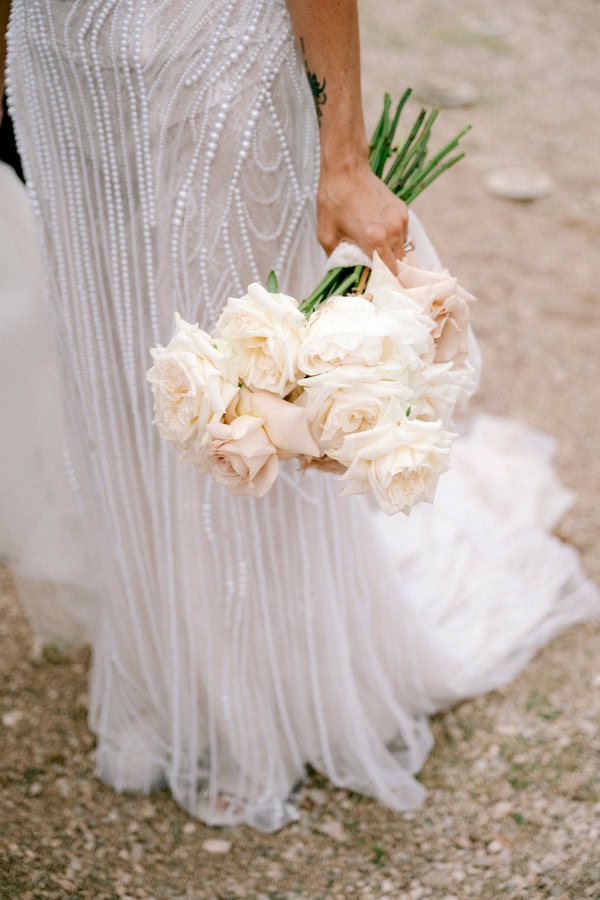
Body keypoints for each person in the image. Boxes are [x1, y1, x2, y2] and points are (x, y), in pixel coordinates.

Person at [2, 0, 598, 833]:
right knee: (112, 357)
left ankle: (267, 696)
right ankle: (165, 658)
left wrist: (345, 157)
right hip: (58, 65)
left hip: (204, 54)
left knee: (249, 372)